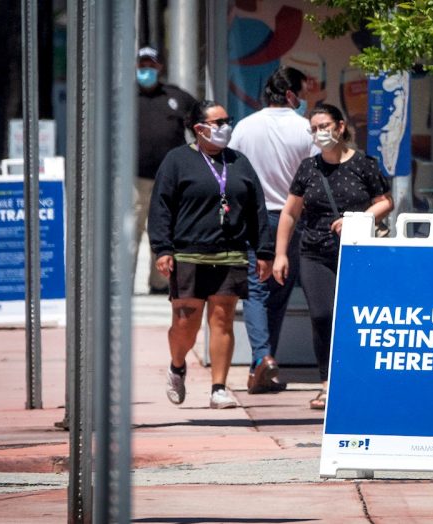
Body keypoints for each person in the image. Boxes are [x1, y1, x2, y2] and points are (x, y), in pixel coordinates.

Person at [148, 100, 274, 409]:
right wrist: (162, 248)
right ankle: (178, 366)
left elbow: (257, 208)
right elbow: (161, 207)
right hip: (189, 253)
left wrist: (264, 251)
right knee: (185, 323)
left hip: (230, 253)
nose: (225, 127)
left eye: (226, 121)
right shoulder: (177, 161)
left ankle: (219, 387)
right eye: (217, 123)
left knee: (222, 320)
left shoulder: (239, 162)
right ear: (199, 128)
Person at [273, 103, 394, 409]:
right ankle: (326, 383)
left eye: (325, 126)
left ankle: (358, 379)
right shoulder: (308, 168)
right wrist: (280, 255)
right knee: (323, 316)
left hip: (359, 253)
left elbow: (385, 202)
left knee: (357, 319)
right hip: (315, 252)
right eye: (314, 128)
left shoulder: (365, 164)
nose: (320, 133)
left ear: (340, 127)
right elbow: (289, 213)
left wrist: (361, 218)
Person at [229, 66, 319, 394]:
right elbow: (313, 178)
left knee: (256, 288)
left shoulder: (244, 127)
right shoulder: (306, 130)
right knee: (279, 290)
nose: (305, 101)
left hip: (252, 217)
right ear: (292, 95)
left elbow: (232, 172)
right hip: (292, 218)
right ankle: (265, 360)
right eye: (302, 94)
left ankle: (262, 359)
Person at [136, 46, 197, 294]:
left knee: (164, 231)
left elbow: (199, 126)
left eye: (151, 65)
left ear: (160, 67)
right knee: (129, 233)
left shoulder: (177, 97)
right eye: (143, 65)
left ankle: (160, 283)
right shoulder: (123, 97)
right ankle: (120, 285)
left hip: (170, 180)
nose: (147, 70)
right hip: (134, 179)